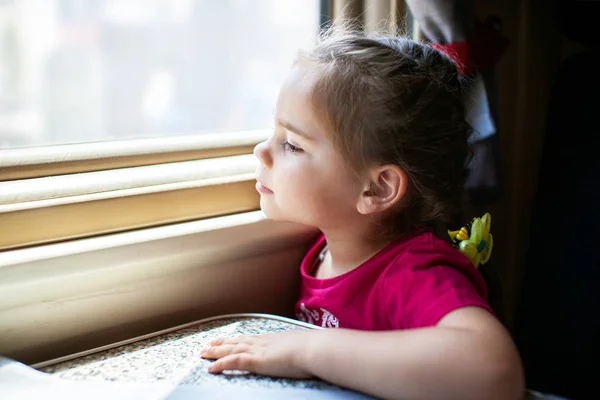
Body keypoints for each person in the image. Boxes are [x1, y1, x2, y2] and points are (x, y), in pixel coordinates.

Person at [201, 25, 524, 400]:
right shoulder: (326, 246)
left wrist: (307, 351)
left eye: (291, 144)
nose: (261, 151)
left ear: (377, 188)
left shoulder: (411, 273)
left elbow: (494, 372)